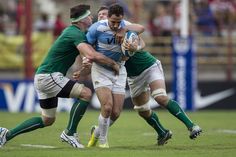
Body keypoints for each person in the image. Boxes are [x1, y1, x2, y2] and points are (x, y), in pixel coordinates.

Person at [0, 4, 120, 149]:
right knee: (86, 94)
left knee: (47, 120)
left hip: (43, 76)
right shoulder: (75, 33)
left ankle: (6, 134)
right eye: (88, 16)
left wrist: (84, 68)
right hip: (49, 76)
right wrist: (113, 63)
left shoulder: (73, 32)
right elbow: (91, 54)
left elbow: (87, 56)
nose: (91, 17)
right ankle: (70, 132)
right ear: (82, 20)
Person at [84, 5, 202, 147]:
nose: (103, 16)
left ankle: (192, 126)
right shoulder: (98, 34)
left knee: (160, 97)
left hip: (148, 66)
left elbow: (141, 40)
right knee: (143, 110)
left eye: (105, 13)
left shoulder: (126, 28)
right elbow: (91, 52)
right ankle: (162, 132)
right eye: (101, 15)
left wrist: (135, 46)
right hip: (133, 77)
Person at [85, 4, 144, 148]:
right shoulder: (96, 28)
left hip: (120, 69)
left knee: (116, 112)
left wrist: (134, 45)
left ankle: (96, 132)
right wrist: (86, 60)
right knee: (107, 107)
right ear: (108, 18)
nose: (116, 25)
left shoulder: (125, 26)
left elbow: (142, 30)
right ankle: (103, 141)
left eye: (119, 22)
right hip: (101, 69)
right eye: (113, 22)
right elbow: (86, 46)